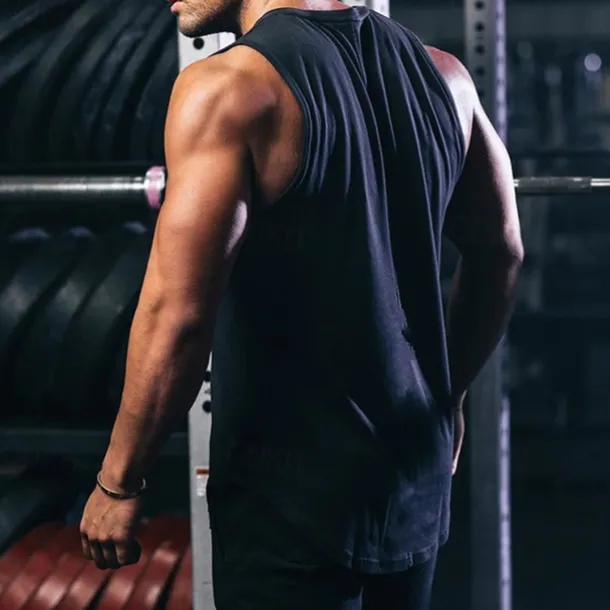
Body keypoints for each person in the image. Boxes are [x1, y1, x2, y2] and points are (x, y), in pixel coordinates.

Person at [79, 0, 523, 608]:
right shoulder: (446, 77)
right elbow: (502, 251)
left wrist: (119, 481)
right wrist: (446, 397)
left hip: (290, 507)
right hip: (410, 488)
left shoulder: (228, 88)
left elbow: (179, 318)